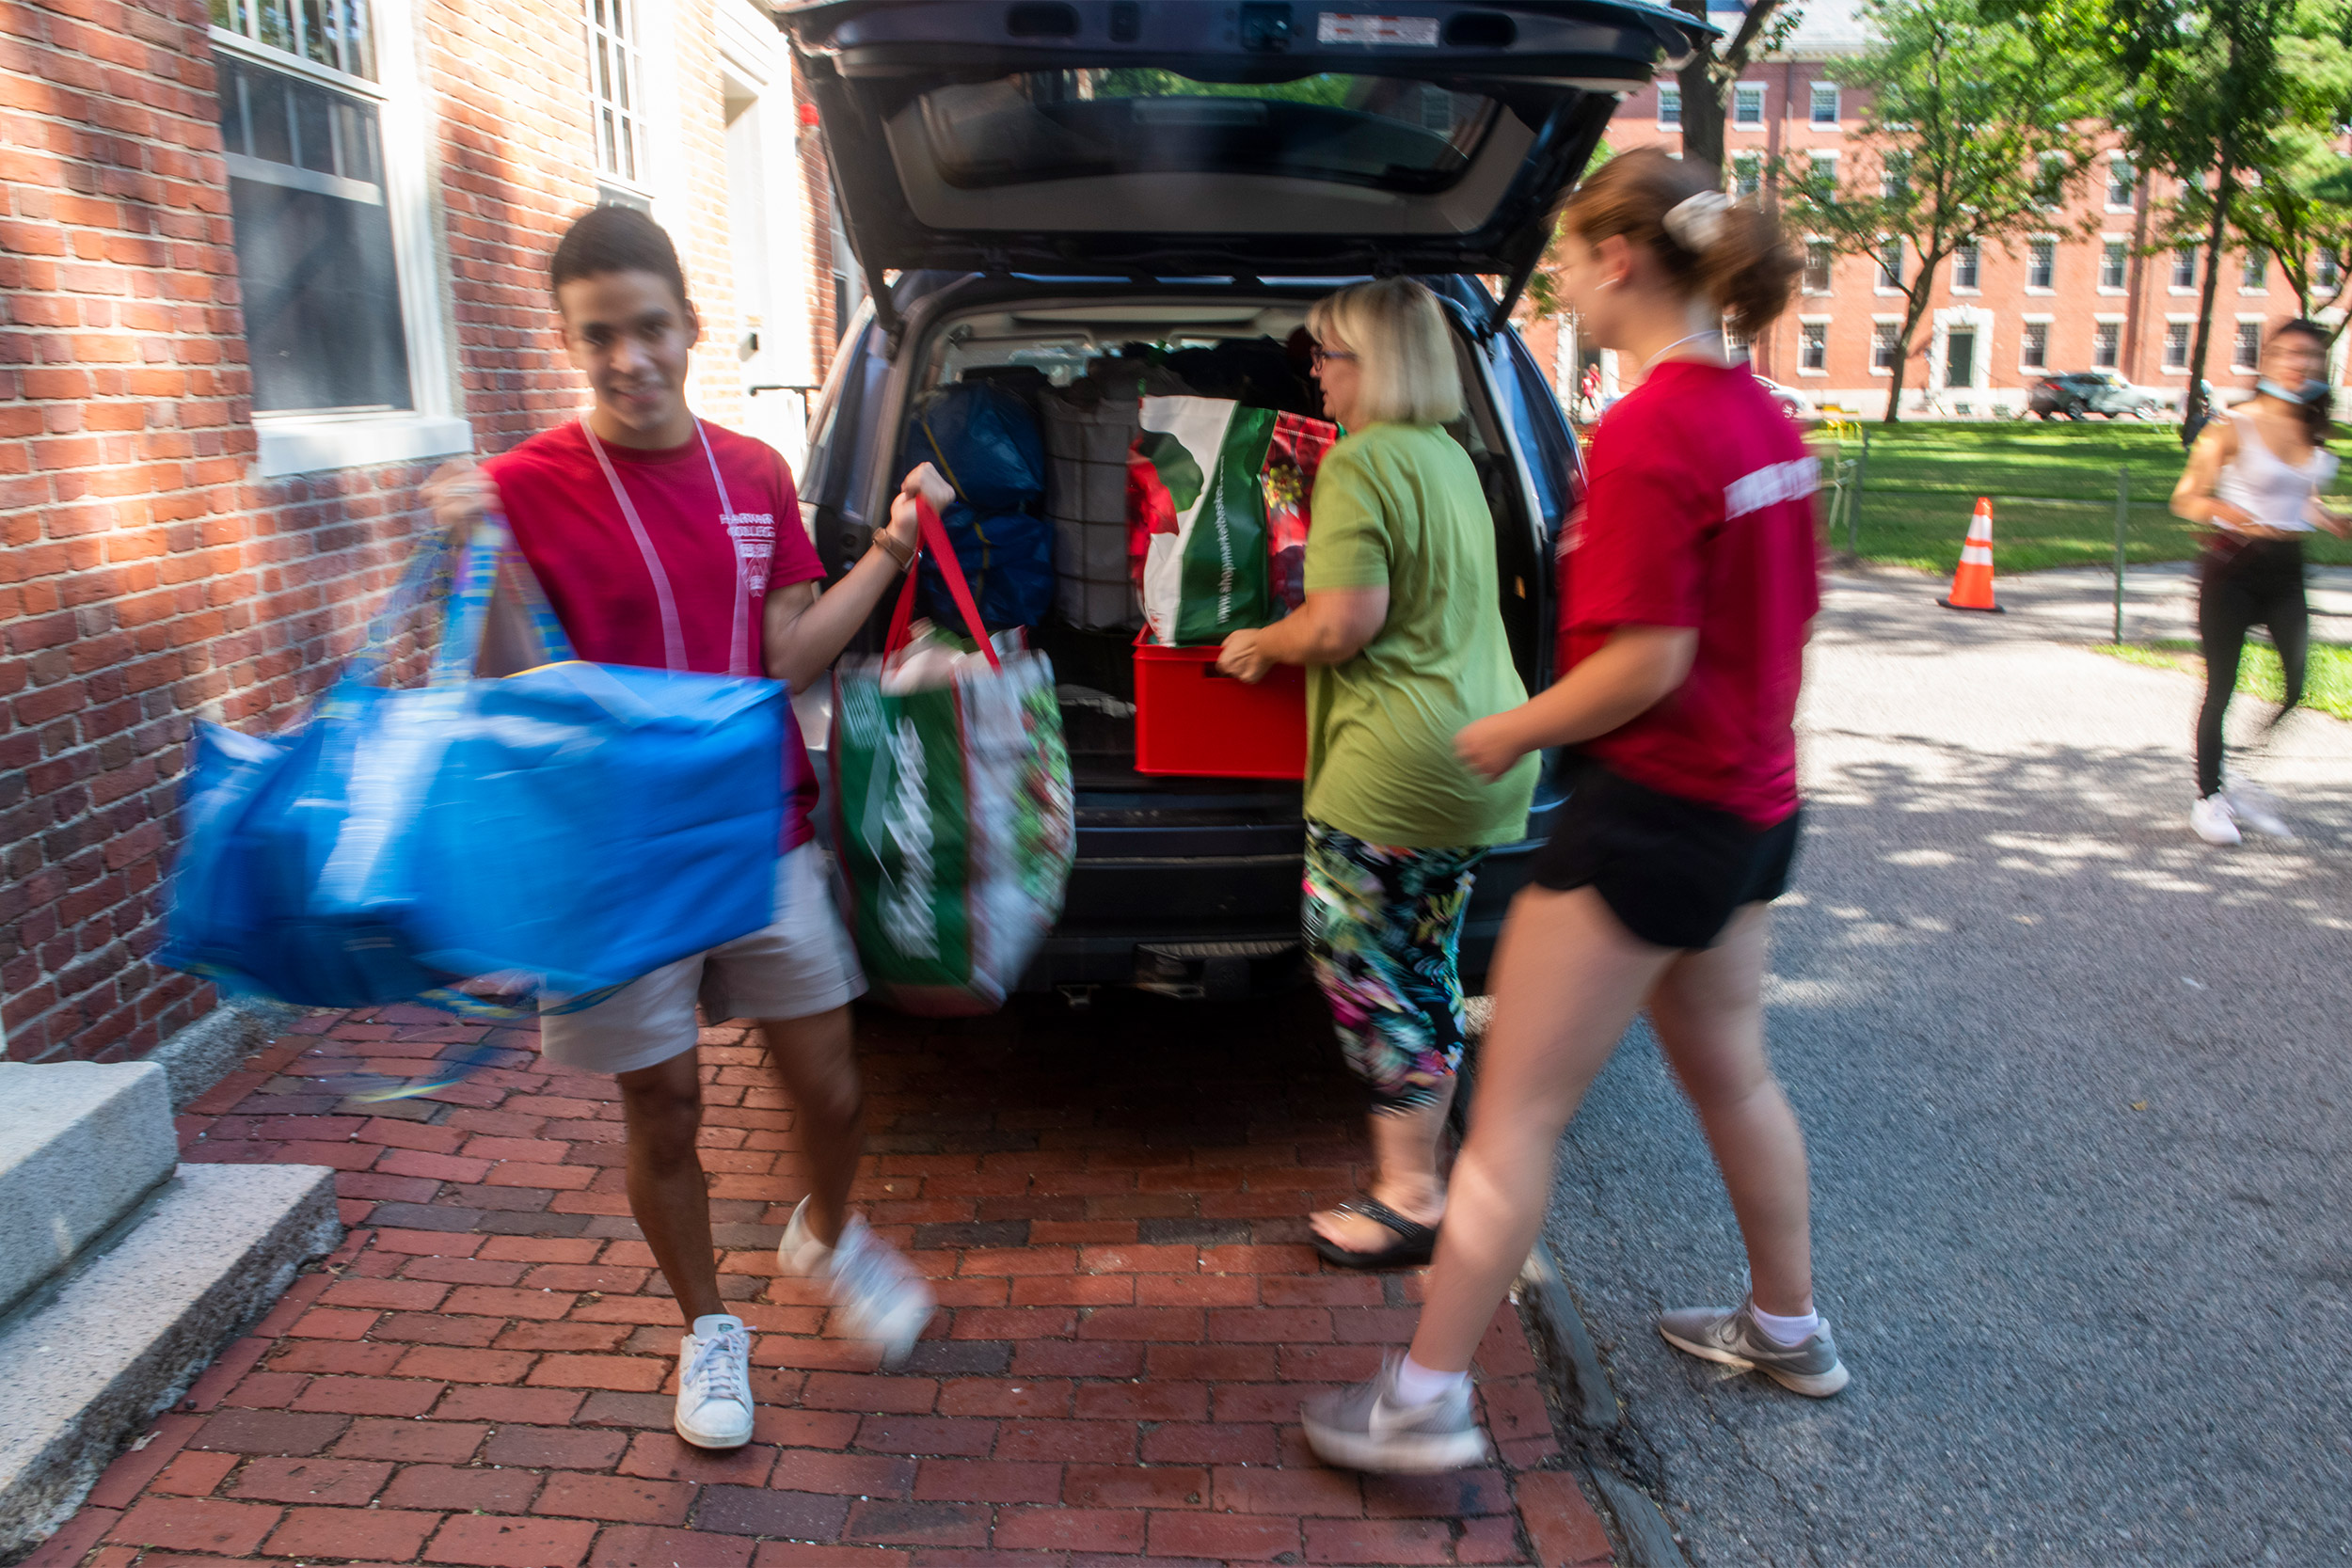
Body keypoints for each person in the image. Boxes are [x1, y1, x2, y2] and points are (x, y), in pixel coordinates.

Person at [1298, 150, 1840, 1474]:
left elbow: (1646, 660)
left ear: (1618, 259)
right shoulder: (1765, 417)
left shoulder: (1657, 426)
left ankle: (1424, 1398)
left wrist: (1515, 727)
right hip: (1751, 811)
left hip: (1651, 816)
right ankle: (1789, 1325)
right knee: (1735, 1074)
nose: (1560, 290)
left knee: (1517, 1114)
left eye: (1568, 262)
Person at [424, 205, 949, 1451]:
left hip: (756, 829)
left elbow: (788, 654)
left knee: (829, 1080)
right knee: (661, 1105)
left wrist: (889, 549)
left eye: (650, 327)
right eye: (598, 335)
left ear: (690, 325)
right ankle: (709, 1323)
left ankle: (827, 1231)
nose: (629, 357)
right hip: (607, 858)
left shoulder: (754, 471)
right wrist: (478, 557)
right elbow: (507, 690)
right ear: (568, 339)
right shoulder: (519, 488)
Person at [1216, 278, 1539, 1270]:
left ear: (1376, 364)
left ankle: (1408, 1196)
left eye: (1326, 352)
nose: (1312, 368)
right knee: (1425, 963)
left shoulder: (1359, 462)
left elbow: (1342, 621)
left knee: (1360, 966)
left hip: (1393, 764)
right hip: (1478, 750)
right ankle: (1428, 1162)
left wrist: (1258, 643)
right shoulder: (1446, 456)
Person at [2169, 321, 2350, 846]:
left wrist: (2332, 520)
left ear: (2321, 369)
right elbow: (2186, 498)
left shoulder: (2312, 432)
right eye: (2289, 354)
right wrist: (2240, 516)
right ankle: (2210, 799)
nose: (2300, 364)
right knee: (2221, 687)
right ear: (2267, 360)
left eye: (2310, 358)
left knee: (2297, 685)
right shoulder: (2232, 426)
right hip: (2232, 567)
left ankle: (2239, 763)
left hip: (2287, 571)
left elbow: (2302, 498)